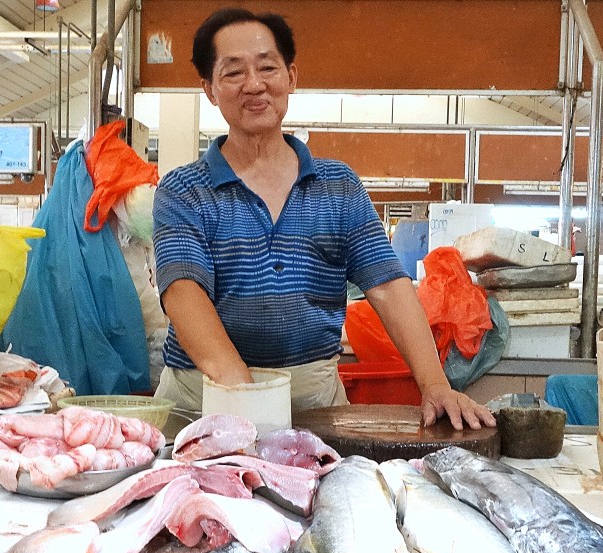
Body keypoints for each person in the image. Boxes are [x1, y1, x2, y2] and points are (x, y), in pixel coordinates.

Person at [151, 7, 495, 431]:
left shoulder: (338, 185)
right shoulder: (183, 189)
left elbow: (387, 286)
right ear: (209, 88)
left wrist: (436, 385)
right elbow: (185, 295)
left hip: (313, 405)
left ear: (291, 77)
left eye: (267, 67)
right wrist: (250, 404)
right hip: (204, 400)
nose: (254, 85)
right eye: (233, 72)